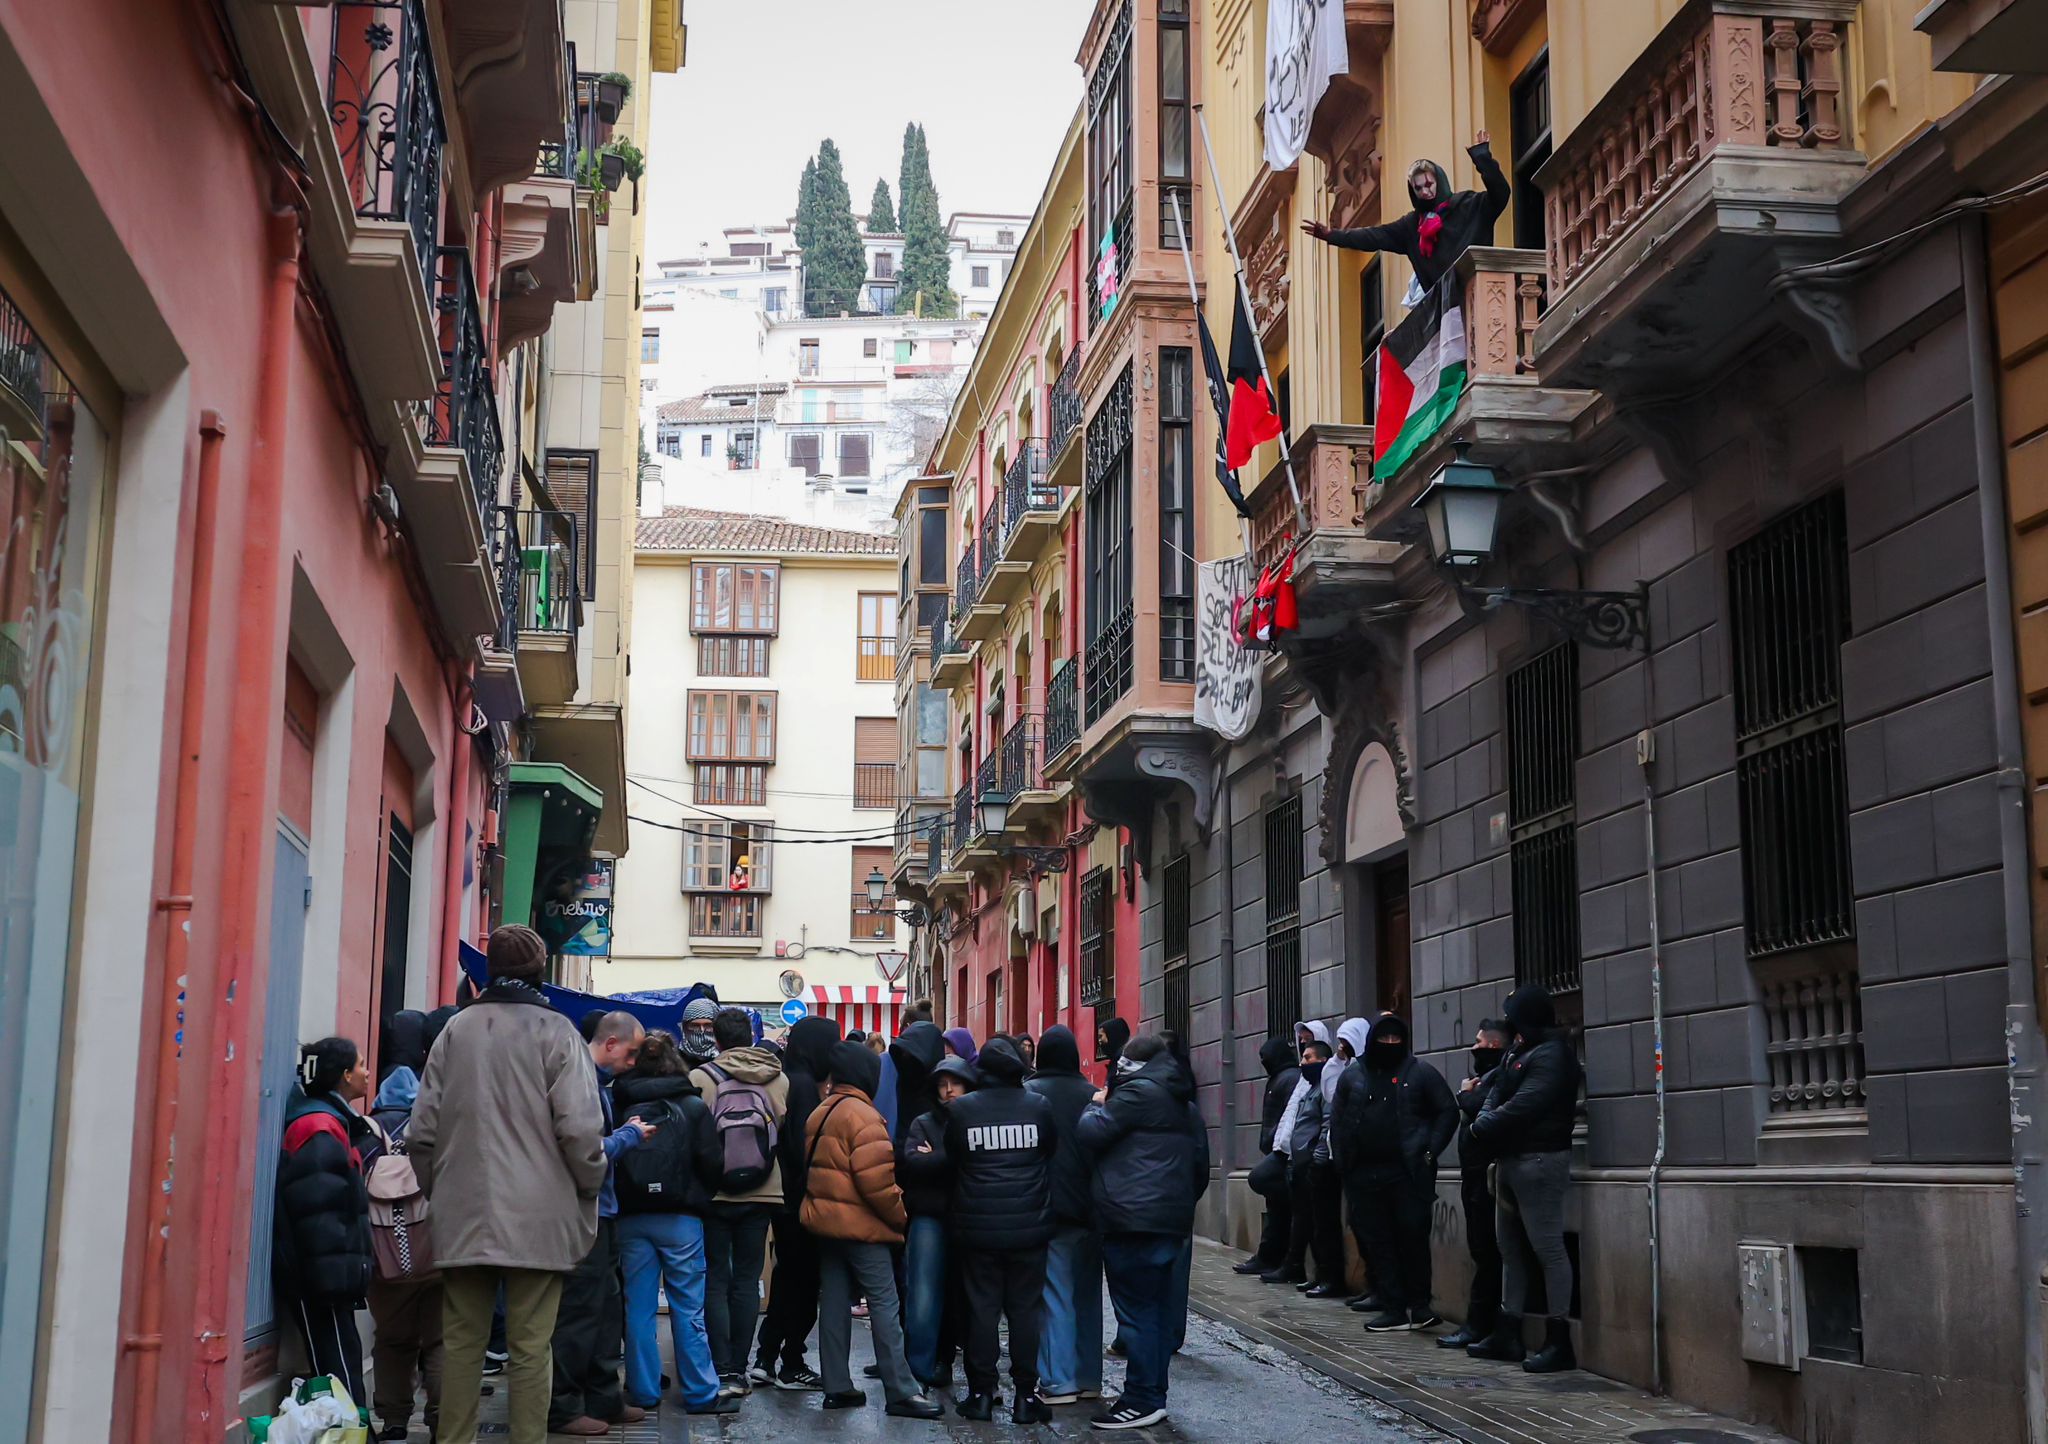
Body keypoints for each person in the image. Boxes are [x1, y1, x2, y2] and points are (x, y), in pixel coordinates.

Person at [410, 925, 608, 1444]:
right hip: (540, 1217)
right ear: (540, 969)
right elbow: (582, 1131)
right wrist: (588, 1185)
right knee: (530, 1348)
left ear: (488, 970)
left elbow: (422, 1132)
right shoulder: (558, 1032)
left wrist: (441, 1190)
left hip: (463, 1209)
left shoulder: (454, 1031)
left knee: (461, 1345)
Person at [801, 1040, 945, 1418]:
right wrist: (899, 1217)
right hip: (862, 1227)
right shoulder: (864, 1117)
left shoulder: (821, 1112)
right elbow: (877, 1184)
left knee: (833, 1303)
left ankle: (837, 1386)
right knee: (884, 1303)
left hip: (825, 1222)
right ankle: (901, 1390)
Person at [1075, 1034, 1207, 1431]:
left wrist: (1093, 1104)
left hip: (1132, 1219)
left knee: (1138, 1313)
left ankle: (1142, 1399)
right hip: (1167, 1218)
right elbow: (1200, 1165)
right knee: (1156, 1310)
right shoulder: (1183, 1102)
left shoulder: (1137, 1094)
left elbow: (1090, 1132)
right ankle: (1151, 1393)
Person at [612, 1031, 740, 1417]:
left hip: (631, 1216)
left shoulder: (619, 1104)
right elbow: (713, 1163)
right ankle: (701, 1392)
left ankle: (643, 1389)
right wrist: (699, 1196)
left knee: (639, 1306)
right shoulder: (692, 1105)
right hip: (682, 1217)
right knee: (688, 1306)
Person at [939, 1035, 1058, 1424]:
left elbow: (952, 1160)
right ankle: (1025, 1396)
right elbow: (1048, 1153)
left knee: (982, 1310)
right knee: (1025, 1311)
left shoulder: (962, 1111)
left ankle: (981, 1393)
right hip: (1029, 1227)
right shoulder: (1039, 1107)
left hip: (977, 1229)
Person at [548, 1010, 654, 1436]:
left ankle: (602, 1398)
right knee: (580, 1313)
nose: (634, 1062)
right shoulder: (583, 1082)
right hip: (584, 1213)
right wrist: (628, 1135)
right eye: (631, 1052)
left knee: (607, 1309)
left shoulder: (599, 1084)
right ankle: (564, 1407)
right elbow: (584, 1147)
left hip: (601, 1211)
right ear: (610, 1043)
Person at [1467, 985, 1582, 1372]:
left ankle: (1558, 1338)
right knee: (1510, 1249)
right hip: (1511, 1159)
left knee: (1547, 1249)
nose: (1509, 1025)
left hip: (1540, 1157)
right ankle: (1508, 1331)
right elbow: (1495, 1087)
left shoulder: (1552, 1054)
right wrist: (1486, 1118)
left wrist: (1485, 1124)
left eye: (1514, 1016)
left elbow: (1527, 1101)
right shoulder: (1522, 1051)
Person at [1331, 1014, 1456, 1333]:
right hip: (1364, 1174)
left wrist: (1429, 1151)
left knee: (1412, 1238)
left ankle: (1419, 1305)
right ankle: (1393, 1307)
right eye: (1383, 1040)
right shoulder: (1354, 1076)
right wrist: (1345, 1163)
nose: (1389, 1046)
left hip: (1407, 1172)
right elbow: (1339, 1119)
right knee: (1378, 1242)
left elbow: (1447, 1110)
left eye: (1394, 1040)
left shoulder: (1420, 1073)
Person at [689, 1006, 791, 1389]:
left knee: (716, 1278)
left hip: (715, 1190)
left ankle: (721, 1368)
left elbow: (695, 1135)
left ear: (716, 1039)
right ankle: (741, 1367)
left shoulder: (701, 1076)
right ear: (750, 1035)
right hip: (764, 1189)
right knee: (748, 1281)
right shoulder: (776, 1078)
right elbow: (779, 1127)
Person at [274, 1037, 374, 1404]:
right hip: (321, 1278)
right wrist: (333, 1280)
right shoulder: (319, 1126)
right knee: (337, 1370)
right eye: (361, 1064)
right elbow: (318, 1207)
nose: (367, 1072)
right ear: (345, 1076)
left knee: (342, 1358)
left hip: (328, 1273)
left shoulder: (326, 1121)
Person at [1300, 133, 1510, 299]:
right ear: (1413, 191)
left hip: (1481, 295)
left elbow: (1500, 194)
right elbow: (1372, 236)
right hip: (1445, 312)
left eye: (1428, 184)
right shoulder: (1411, 227)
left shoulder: (1468, 205)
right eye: (1418, 188)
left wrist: (1483, 158)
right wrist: (1332, 235)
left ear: (1439, 180)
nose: (1425, 192)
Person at [750, 1014, 839, 1392]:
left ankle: (767, 1357)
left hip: (782, 1200)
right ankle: (790, 1361)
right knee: (801, 1283)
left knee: (788, 1277)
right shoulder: (804, 1088)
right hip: (799, 1201)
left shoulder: (790, 1079)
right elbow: (804, 1151)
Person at [365, 1064, 443, 1442]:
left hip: (384, 1259)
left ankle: (394, 1421)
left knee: (392, 1339)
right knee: (441, 1340)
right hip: (436, 1254)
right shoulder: (431, 1131)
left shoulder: (364, 1133)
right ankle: (442, 1421)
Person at [1026, 1025, 1102, 1406]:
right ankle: (1089, 1376)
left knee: (1055, 1294)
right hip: (1090, 1208)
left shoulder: (1030, 1095)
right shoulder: (1093, 1094)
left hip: (1049, 1206)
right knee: (1087, 1294)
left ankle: (1059, 1380)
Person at [898, 1054, 975, 1390]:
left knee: (964, 1298)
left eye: (955, 1083)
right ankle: (920, 1370)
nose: (948, 1090)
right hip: (929, 1214)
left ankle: (947, 1362)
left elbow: (973, 1161)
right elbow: (913, 1162)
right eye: (943, 1084)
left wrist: (940, 1156)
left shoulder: (975, 1119)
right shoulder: (923, 1122)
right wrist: (952, 1160)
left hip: (968, 1216)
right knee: (924, 1296)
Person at [1439, 1020, 1510, 1351]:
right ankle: (1484, 1324)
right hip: (1476, 1175)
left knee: (1487, 1252)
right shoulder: (1489, 1077)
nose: (1474, 1047)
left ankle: (1481, 1324)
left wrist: (1464, 1094)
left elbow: (1481, 1110)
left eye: (1479, 1041)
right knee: (1481, 1250)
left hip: (1487, 1176)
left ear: (1494, 1046)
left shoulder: (1499, 1077)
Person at [1269, 1035, 1343, 1290]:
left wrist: (1317, 1158)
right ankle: (1320, 1276)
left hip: (1317, 1166)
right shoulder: (1309, 1088)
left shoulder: (1326, 1088)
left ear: (1324, 1060)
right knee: (1310, 1223)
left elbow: (1325, 1124)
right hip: (1301, 1165)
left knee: (1324, 1224)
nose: (1302, 1063)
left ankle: (1330, 1277)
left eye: (1308, 1057)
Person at [1235, 1035, 1302, 1276]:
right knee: (1277, 1212)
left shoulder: (1289, 1078)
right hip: (1277, 1152)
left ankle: (1275, 1258)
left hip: (1283, 1154)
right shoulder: (1280, 1078)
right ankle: (1270, 1257)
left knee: (1281, 1212)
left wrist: (1275, 1140)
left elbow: (1288, 1116)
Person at [679, 995, 721, 1066]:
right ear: (685, 1028)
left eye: (708, 1025)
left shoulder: (727, 1059)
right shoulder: (675, 1061)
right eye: (695, 1026)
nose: (702, 1030)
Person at [1094, 1017, 1130, 1090]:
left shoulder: (1123, 1061)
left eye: (1101, 1036)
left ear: (1112, 1034)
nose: (1099, 1041)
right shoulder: (1116, 1060)